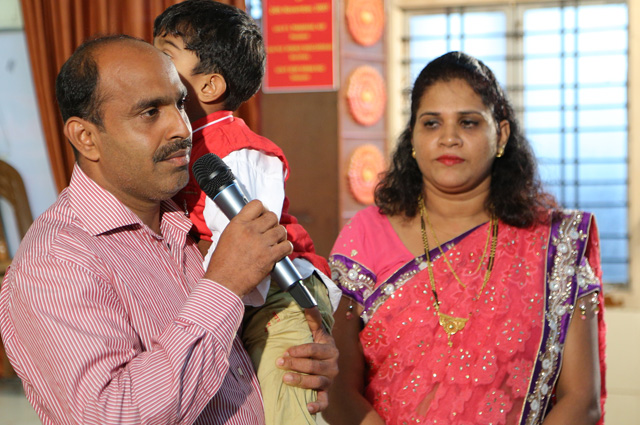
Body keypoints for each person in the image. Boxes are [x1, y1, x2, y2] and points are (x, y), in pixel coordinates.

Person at [0, 34, 337, 425]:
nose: (181, 128)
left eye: (179, 103)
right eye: (149, 113)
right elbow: (114, 415)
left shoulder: (190, 219)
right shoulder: (56, 262)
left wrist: (297, 358)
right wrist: (223, 285)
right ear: (86, 137)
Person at [323, 51, 606, 425]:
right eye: (431, 123)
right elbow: (336, 387)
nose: (449, 138)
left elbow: (582, 399)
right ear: (412, 136)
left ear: (500, 134)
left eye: (469, 123)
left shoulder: (556, 245)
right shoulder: (365, 236)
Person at [153, 2, 340, 424]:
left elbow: (248, 244)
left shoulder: (239, 150)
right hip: (241, 300)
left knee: (285, 408)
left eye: (165, 57)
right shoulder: (183, 143)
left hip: (281, 299)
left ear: (209, 85)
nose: (152, 66)